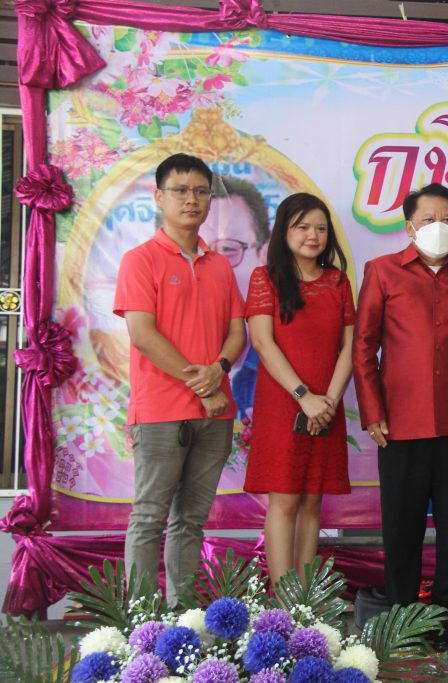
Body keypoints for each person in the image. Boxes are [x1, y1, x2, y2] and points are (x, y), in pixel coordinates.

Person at [353, 183, 448, 651]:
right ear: (409, 227)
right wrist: (372, 412)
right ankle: (402, 620)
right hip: (399, 426)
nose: (438, 227)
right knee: (402, 529)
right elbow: (364, 347)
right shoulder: (382, 271)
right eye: (428, 220)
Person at [114, 153, 246, 607]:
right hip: (160, 413)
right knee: (149, 517)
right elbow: (142, 335)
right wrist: (204, 385)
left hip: (215, 416)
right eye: (181, 190)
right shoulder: (140, 260)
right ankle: (139, 622)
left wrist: (219, 371)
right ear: (159, 196)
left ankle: (182, 617)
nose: (192, 200)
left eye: (201, 191)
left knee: (191, 521)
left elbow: (237, 333)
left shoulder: (220, 265)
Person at [242, 193, 355, 587]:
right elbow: (262, 343)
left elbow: (349, 347)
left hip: (325, 405)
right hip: (283, 403)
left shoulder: (338, 282)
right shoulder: (265, 278)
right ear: (284, 231)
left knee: (312, 499)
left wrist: (329, 402)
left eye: (320, 228)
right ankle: (282, 597)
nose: (313, 235)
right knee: (286, 498)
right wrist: (304, 396)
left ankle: (306, 597)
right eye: (303, 227)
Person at [200, 176, 271, 419]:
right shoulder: (166, 363)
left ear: (264, 255)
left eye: (228, 249)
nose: (213, 267)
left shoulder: (281, 363)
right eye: (199, 252)